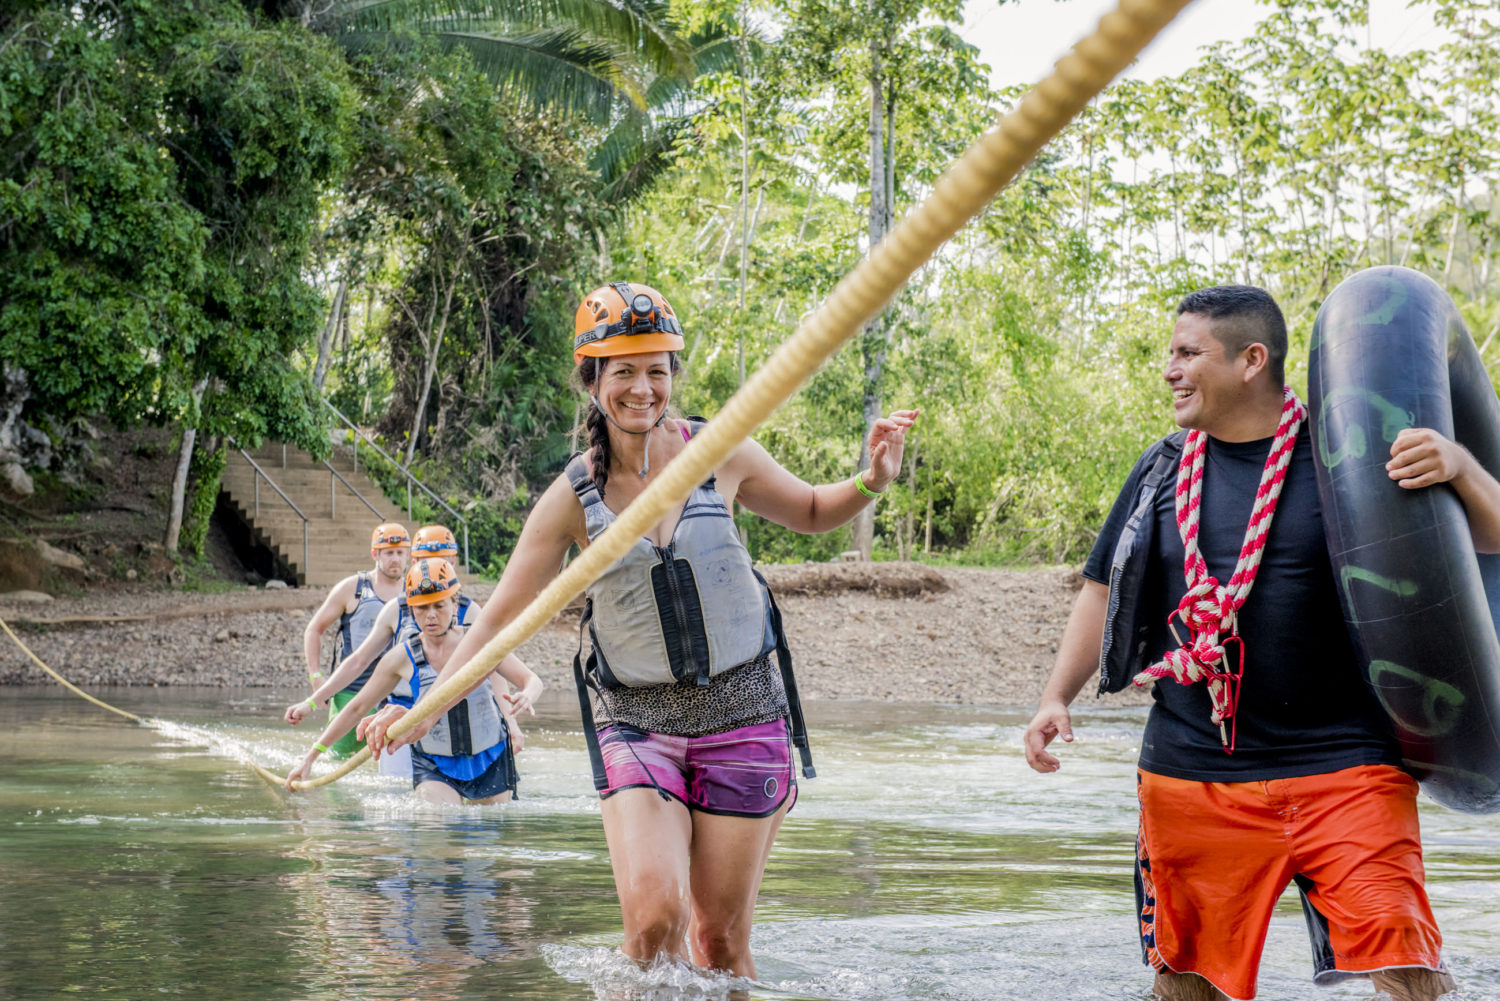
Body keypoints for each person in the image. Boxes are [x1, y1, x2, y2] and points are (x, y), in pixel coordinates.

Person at [361, 280, 916, 978]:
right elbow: (498, 614)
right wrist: (427, 704)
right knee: (656, 920)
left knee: (719, 943)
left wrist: (871, 479)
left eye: (657, 369)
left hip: (744, 713)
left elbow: (809, 508)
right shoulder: (571, 495)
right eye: (623, 371)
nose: (643, 388)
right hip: (635, 722)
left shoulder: (720, 451)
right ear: (593, 381)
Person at [1022, 285, 1495, 1001]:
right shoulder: (1160, 469)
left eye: (1187, 353)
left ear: (1251, 359)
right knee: (1186, 985)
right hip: (1192, 768)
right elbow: (1099, 588)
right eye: (1170, 352)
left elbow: (1490, 542)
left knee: (1412, 974)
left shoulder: (1353, 458)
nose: (1169, 369)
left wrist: (1460, 466)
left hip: (1346, 765)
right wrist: (1055, 694)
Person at [286, 559, 542, 804]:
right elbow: (357, 707)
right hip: (435, 765)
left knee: (490, 840)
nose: (431, 615)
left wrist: (527, 695)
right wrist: (310, 758)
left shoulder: (479, 643)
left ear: (455, 604)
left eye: (439, 606)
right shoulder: (400, 658)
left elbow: (531, 680)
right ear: (411, 610)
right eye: (421, 607)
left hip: (490, 757)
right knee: (437, 828)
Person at [298, 522, 409, 758]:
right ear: (374, 554)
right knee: (338, 760)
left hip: (395, 694)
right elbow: (314, 630)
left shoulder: (413, 592)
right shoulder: (353, 588)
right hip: (352, 690)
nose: (395, 559)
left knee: (387, 764)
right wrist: (316, 677)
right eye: (389, 553)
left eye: (401, 553)